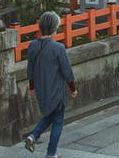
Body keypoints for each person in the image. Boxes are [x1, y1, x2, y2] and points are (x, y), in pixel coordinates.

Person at [24, 11, 76, 157]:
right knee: (58, 121)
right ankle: (51, 154)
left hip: (41, 90)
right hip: (56, 91)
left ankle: (32, 136)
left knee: (49, 115)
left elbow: (30, 70)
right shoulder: (58, 48)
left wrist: (32, 87)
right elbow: (67, 72)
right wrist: (73, 88)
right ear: (55, 28)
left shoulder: (32, 46)